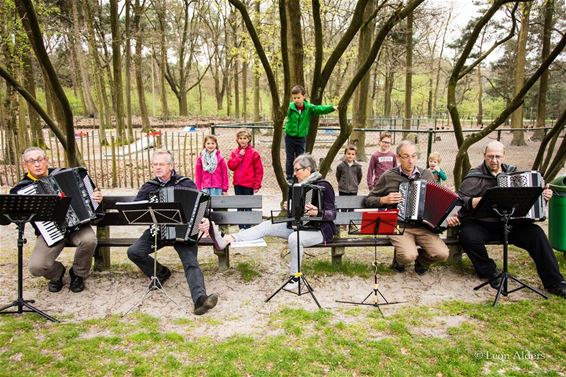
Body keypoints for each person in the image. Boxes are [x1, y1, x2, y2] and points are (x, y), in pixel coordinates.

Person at [209, 154, 337, 289]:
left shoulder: (324, 186)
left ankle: (296, 277)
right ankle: (230, 238)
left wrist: (319, 212)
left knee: (294, 238)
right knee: (267, 225)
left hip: (320, 230)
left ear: (308, 169)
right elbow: (298, 214)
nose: (294, 173)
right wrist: (290, 208)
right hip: (300, 227)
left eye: (297, 170)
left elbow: (332, 214)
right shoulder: (299, 186)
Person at [457, 140, 566, 297]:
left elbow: (528, 201)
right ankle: (491, 272)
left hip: (511, 223)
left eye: (498, 156)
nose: (494, 160)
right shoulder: (474, 177)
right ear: (484, 156)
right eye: (490, 156)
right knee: (467, 236)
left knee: (537, 234)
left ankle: (555, 282)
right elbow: (462, 201)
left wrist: (543, 197)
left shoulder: (514, 174)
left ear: (504, 156)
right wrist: (482, 200)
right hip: (483, 224)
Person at [127, 150, 219, 315]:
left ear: (171, 166)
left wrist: (204, 220)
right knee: (134, 251)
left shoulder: (186, 183)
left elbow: (201, 206)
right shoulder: (149, 186)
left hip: (183, 234)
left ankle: (200, 300)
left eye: (161, 164)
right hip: (158, 231)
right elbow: (136, 209)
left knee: (190, 262)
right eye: (155, 164)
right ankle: (161, 273)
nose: (157, 167)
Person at [10, 147, 103, 293]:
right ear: (24, 165)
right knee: (36, 267)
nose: (37, 164)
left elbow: (93, 197)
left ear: (46, 160)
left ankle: (78, 274)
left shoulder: (68, 174)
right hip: (50, 231)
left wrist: (96, 198)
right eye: (31, 161)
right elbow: (17, 217)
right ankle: (57, 273)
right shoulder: (22, 189)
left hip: (77, 227)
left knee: (89, 240)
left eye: (40, 159)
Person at [363, 140, 457, 275]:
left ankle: (422, 262)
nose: (410, 160)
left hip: (424, 226)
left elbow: (437, 201)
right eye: (406, 156)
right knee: (408, 256)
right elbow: (368, 200)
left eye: (413, 156)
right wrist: (383, 199)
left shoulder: (427, 175)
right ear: (398, 157)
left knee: (442, 254)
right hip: (399, 226)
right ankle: (399, 261)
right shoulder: (388, 176)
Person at [284, 85, 337, 182]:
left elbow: (320, 109)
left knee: (301, 158)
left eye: (298, 97)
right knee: (290, 157)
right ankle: (289, 176)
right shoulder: (290, 108)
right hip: (290, 136)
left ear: (304, 97)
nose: (296, 100)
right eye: (294, 98)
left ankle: (300, 175)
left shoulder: (308, 107)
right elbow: (282, 113)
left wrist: (331, 108)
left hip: (301, 137)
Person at [227, 128, 264, 229]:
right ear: (237, 140)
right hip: (237, 184)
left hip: (248, 184)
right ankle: (240, 227)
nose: (242, 140)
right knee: (240, 206)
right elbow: (231, 166)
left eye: (245, 138)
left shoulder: (254, 153)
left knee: (248, 206)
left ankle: (247, 227)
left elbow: (259, 171)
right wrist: (239, 156)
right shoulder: (235, 152)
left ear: (249, 139)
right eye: (240, 138)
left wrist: (257, 185)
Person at [335, 144, 363, 212]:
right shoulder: (340, 166)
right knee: (343, 208)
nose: (350, 156)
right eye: (348, 154)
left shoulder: (358, 167)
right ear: (345, 154)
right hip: (343, 190)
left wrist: (355, 184)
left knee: (351, 208)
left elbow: (359, 177)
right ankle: (343, 222)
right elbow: (338, 176)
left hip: (353, 190)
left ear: (355, 156)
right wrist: (342, 184)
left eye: (353, 154)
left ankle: (350, 222)